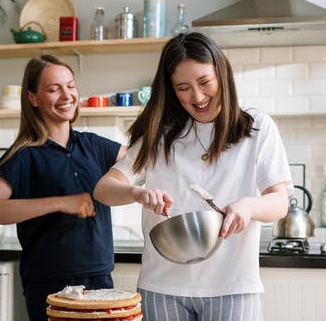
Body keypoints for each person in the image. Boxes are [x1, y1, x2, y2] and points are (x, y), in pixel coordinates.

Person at [93, 32, 292, 321]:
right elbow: (104, 189)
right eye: (183, 88)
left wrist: (248, 206)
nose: (197, 97)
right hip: (161, 286)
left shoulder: (256, 127)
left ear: (222, 74)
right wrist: (136, 193)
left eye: (204, 82)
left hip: (233, 286)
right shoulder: (161, 135)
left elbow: (280, 201)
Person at [0, 54, 127, 321]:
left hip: (99, 278)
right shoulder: (23, 155)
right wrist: (62, 202)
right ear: (33, 98)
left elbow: (143, 161)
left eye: (70, 86)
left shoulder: (93, 145)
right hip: (49, 285)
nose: (66, 95)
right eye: (53, 88)